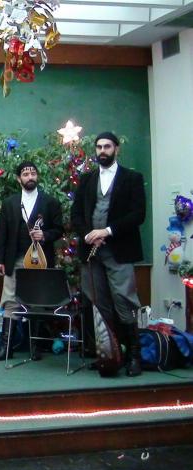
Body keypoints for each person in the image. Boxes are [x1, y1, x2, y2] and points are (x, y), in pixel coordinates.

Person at [71, 132, 146, 377]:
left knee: (125, 302)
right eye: (99, 147)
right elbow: (76, 215)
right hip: (91, 253)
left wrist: (107, 231)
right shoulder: (86, 179)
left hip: (119, 251)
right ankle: (109, 355)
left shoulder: (132, 178)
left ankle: (134, 357)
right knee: (98, 305)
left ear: (117, 149)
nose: (102, 151)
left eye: (107, 146)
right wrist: (88, 235)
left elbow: (138, 215)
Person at [0, 161, 63, 361]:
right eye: (25, 174)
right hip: (14, 259)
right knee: (10, 301)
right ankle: (6, 347)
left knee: (37, 302)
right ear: (18, 179)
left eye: (33, 173)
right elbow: (1, 234)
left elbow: (59, 229)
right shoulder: (9, 203)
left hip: (41, 261)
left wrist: (45, 235)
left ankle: (35, 347)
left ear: (37, 176)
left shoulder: (50, 202)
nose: (30, 177)